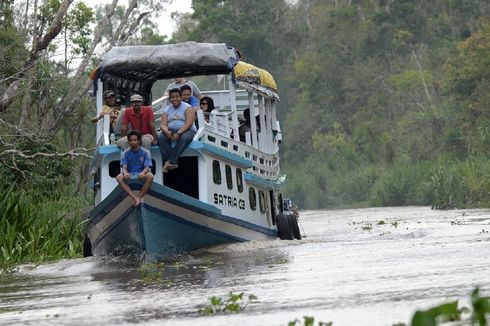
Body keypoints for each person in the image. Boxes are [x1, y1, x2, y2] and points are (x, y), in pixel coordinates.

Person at [158, 88, 196, 173]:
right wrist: (167, 132)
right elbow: (163, 124)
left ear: (181, 97)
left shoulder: (187, 107)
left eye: (177, 97)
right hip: (171, 130)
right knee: (161, 138)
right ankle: (170, 162)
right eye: (172, 97)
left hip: (187, 130)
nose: (175, 99)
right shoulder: (166, 110)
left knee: (184, 138)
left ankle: (170, 162)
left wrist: (178, 133)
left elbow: (189, 123)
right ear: (169, 99)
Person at [116, 130, 153, 207]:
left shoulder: (146, 152)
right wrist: (125, 173)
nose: (133, 142)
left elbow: (147, 167)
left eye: (135, 140)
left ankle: (139, 197)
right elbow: (124, 167)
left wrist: (142, 173)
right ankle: (134, 198)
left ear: (139, 141)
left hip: (141, 174)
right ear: (128, 142)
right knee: (119, 177)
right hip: (130, 175)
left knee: (150, 176)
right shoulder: (125, 153)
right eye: (131, 140)